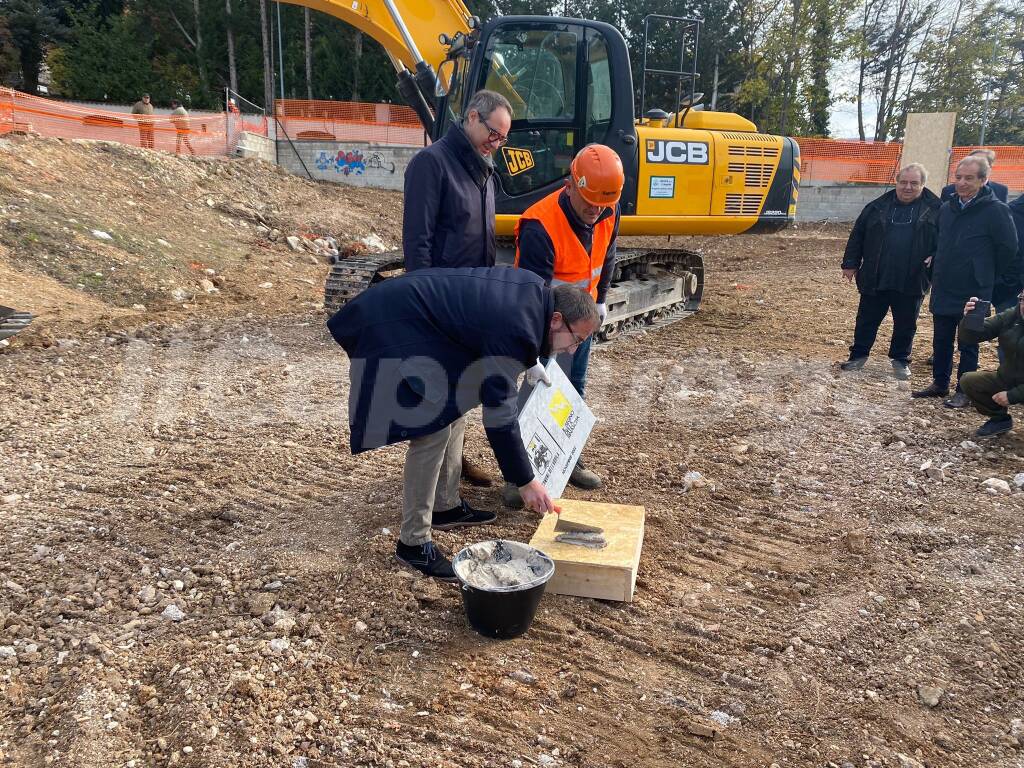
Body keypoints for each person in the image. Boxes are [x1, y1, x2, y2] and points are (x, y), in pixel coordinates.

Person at [327, 268, 601, 580]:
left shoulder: (536, 295)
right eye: (576, 339)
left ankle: (445, 506)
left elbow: (498, 330)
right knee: (430, 427)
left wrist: (531, 361)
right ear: (555, 319)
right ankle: (413, 543)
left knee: (454, 405)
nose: (572, 349)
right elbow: (500, 419)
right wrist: (525, 480)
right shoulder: (514, 327)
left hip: (421, 321)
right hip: (392, 324)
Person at [401, 89, 514, 488]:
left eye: (503, 138)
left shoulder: (481, 171)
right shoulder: (432, 165)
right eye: (494, 134)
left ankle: (449, 489)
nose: (497, 143)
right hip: (441, 308)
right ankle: (433, 500)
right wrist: (426, 308)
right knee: (436, 406)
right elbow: (418, 243)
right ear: (471, 117)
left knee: (460, 397)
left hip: (470, 306)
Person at [501, 144, 623, 507]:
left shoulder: (606, 208)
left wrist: (600, 299)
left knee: (574, 389)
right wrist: (534, 353)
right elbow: (531, 295)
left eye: (602, 206)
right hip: (546, 325)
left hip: (580, 320)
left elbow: (608, 254)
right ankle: (517, 475)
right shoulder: (541, 224)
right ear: (570, 185)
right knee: (536, 391)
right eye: (589, 205)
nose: (595, 213)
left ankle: (567, 459)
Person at [912, 155, 1018, 407]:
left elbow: (1008, 248)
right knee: (941, 337)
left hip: (975, 289)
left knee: (969, 340)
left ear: (983, 180)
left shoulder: (996, 211)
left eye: (969, 178)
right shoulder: (947, 208)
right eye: (958, 177)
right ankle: (939, 383)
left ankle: (963, 389)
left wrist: (985, 273)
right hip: (945, 283)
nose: (962, 183)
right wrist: (935, 258)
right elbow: (941, 240)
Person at [839, 163, 941, 380]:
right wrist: (850, 263)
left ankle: (900, 360)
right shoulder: (876, 207)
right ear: (896, 182)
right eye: (903, 182)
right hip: (877, 275)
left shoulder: (937, 209)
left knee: (906, 323)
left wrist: (937, 254)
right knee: (866, 319)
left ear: (923, 185)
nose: (907, 187)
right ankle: (858, 356)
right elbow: (858, 235)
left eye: (914, 183)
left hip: (913, 278)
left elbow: (948, 239)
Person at [958, 291, 1024, 437]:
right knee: (970, 381)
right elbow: (970, 337)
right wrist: (970, 319)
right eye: (1022, 300)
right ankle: (1000, 420)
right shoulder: (1011, 316)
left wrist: (1013, 396)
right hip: (1009, 378)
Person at [940, 149, 1009, 204]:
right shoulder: (948, 191)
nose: (975, 163)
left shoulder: (1001, 191)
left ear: (990, 167)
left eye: (982, 162)